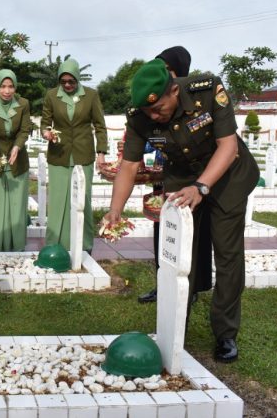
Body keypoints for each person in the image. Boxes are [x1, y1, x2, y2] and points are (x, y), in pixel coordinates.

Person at [103, 59, 259, 363]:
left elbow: (229, 147)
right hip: (182, 175)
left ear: (174, 89)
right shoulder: (139, 117)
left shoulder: (208, 90)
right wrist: (115, 210)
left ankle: (225, 333)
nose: (154, 116)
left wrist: (201, 188)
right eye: (148, 111)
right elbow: (130, 165)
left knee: (227, 254)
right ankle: (175, 326)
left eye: (158, 107)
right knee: (177, 253)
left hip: (227, 175)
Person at [138, 46, 212, 305]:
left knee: (194, 234)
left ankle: (192, 286)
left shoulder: (193, 102)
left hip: (193, 180)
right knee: (164, 229)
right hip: (164, 177)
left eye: (168, 70)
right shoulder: (154, 110)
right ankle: (163, 283)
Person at [41, 58, 108, 251]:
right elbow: (45, 122)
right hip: (58, 154)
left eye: (71, 81)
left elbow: (100, 126)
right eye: (64, 82)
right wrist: (46, 133)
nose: (68, 85)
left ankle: (84, 245)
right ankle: (54, 244)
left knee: (82, 200)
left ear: (78, 79)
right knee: (58, 200)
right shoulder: (52, 96)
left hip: (83, 154)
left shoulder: (91, 95)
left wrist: (101, 152)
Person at [0, 69, 33, 251]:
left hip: (17, 161)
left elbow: (25, 129)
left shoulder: (23, 104)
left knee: (16, 206)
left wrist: (18, 146)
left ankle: (15, 246)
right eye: (3, 86)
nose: (7, 91)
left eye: (11, 87)